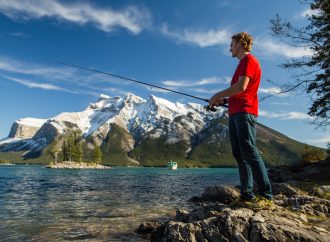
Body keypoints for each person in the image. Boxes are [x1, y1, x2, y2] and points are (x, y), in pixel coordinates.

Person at [208, 32, 273, 203]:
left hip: (245, 112)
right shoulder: (242, 64)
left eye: (232, 44)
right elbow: (239, 92)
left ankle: (266, 195)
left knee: (249, 150)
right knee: (239, 153)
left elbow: (242, 87)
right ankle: (246, 194)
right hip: (236, 111)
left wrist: (216, 95)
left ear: (241, 44)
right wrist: (223, 100)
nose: (230, 47)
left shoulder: (248, 60)